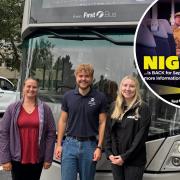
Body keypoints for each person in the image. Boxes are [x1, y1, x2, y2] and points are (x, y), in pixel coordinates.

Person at [55, 64, 107, 180]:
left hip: (90, 146)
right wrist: (59, 145)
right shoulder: (68, 96)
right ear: (76, 77)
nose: (83, 79)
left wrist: (99, 147)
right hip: (69, 144)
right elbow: (63, 121)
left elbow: (103, 123)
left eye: (87, 76)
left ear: (92, 78)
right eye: (81, 76)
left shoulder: (100, 97)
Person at [0, 78, 56, 180]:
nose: (31, 89)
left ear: (37, 89)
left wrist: (48, 157)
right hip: (16, 159)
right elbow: (4, 133)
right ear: (23, 88)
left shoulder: (45, 109)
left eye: (34, 87)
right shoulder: (12, 108)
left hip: (37, 158)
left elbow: (51, 133)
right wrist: (4, 158)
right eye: (28, 86)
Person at [104, 75, 151, 180]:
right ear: (121, 87)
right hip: (116, 159)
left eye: (132, 86)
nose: (127, 89)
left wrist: (124, 157)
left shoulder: (143, 108)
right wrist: (109, 153)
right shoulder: (114, 106)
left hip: (134, 161)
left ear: (136, 89)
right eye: (125, 85)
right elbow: (108, 132)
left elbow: (141, 137)